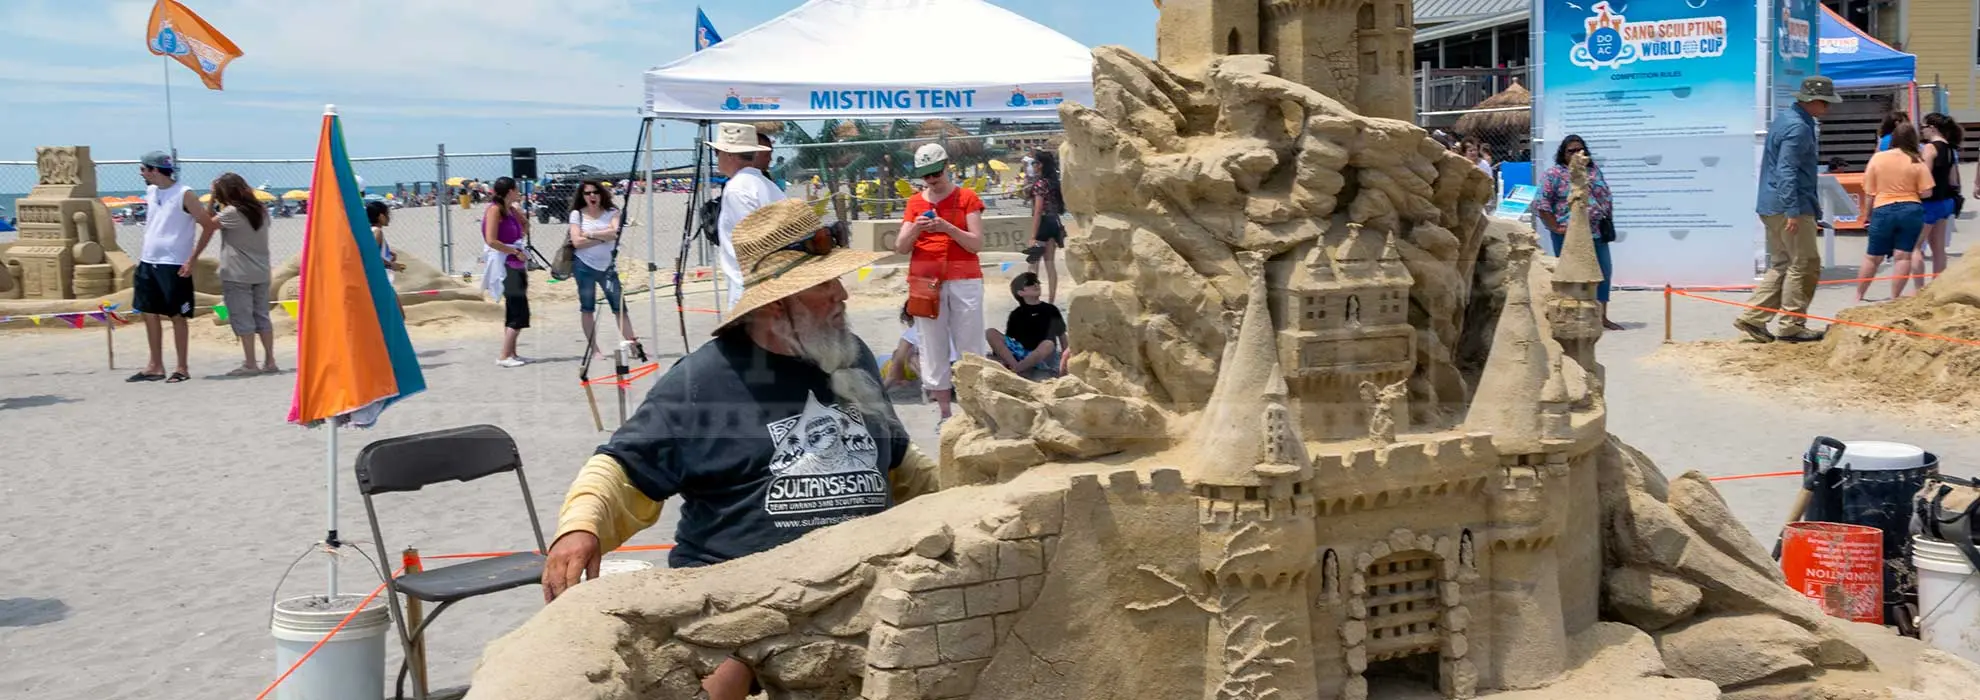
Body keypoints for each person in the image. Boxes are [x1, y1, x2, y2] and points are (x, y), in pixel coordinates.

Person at [540, 199, 937, 700]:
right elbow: (621, 468)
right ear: (776, 304)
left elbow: (901, 463)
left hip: (857, 593)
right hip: (741, 600)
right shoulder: (704, 380)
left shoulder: (851, 358)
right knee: (722, 672)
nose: (842, 294)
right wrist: (580, 529)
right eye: (823, 284)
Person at [1737, 76, 1837, 344]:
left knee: (1783, 263)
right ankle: (1792, 324)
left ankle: (1753, 317)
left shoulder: (1786, 120)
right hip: (1790, 206)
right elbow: (1787, 170)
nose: (1827, 109)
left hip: (1773, 204)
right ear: (1813, 101)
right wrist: (1793, 209)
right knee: (1803, 264)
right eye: (1825, 103)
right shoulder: (1798, 128)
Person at [894, 143, 987, 421]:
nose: (932, 179)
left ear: (947, 167)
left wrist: (947, 227)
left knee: (970, 343)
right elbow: (900, 246)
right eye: (926, 175)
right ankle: (944, 413)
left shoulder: (967, 197)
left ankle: (975, 411)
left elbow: (976, 243)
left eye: (936, 172)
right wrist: (915, 229)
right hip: (925, 279)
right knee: (931, 344)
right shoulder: (915, 202)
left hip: (964, 276)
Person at [129, 151, 218, 383]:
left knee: (177, 315)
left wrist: (192, 259)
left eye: (144, 169)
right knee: (148, 311)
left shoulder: (184, 194)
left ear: (155, 170)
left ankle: (181, 367)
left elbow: (208, 226)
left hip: (174, 263)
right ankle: (155, 366)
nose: (141, 173)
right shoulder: (151, 191)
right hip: (148, 260)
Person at [1533, 135, 1624, 330]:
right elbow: (1542, 203)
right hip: (1568, 234)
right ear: (1563, 153)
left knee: (1603, 273)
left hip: (1596, 232)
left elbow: (1606, 196)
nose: (1576, 154)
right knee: (1570, 276)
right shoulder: (1554, 174)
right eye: (1571, 151)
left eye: (1579, 150)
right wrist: (1555, 227)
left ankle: (1601, 316)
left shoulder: (1593, 171)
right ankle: (1572, 318)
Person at [197, 172, 277, 376]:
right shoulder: (260, 210)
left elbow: (207, 224)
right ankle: (270, 360)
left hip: (237, 272)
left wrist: (212, 199)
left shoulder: (232, 212)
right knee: (262, 316)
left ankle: (250, 363)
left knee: (242, 317)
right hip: (261, 270)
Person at [1854, 122, 1932, 302]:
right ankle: (1895, 297)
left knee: (1873, 256)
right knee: (1903, 256)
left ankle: (1859, 295)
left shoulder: (1878, 158)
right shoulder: (1916, 160)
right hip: (1911, 207)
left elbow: (1869, 191)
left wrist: (1867, 215)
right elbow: (1927, 191)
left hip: (1883, 206)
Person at [711, 122, 784, 308]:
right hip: (768, 279)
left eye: (717, 153)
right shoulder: (764, 183)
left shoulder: (738, 187)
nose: (716, 158)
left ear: (728, 154)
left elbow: (749, 241)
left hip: (749, 283)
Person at [567, 180, 641, 359]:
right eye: (587, 193)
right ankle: (595, 350)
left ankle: (634, 346)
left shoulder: (612, 212)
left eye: (595, 192)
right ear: (582, 196)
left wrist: (590, 234)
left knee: (619, 307)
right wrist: (603, 236)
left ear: (601, 194)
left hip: (607, 266)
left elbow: (615, 233)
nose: (592, 196)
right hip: (583, 265)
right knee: (587, 308)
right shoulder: (577, 214)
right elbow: (576, 242)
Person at [481, 177, 533, 366]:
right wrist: (514, 251)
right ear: (510, 190)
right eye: (516, 190)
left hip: (516, 263)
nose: (518, 192)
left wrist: (518, 212)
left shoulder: (509, 209)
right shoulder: (495, 210)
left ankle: (511, 353)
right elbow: (491, 240)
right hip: (506, 264)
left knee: (514, 308)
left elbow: (525, 228)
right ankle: (503, 355)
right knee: (519, 311)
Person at [987, 272, 1067, 381]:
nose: (1036, 285)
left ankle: (1016, 369)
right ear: (1020, 292)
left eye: (1037, 282)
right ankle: (1016, 366)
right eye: (1030, 283)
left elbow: (1062, 335)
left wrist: (1066, 358)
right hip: (1021, 352)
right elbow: (1010, 340)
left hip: (1042, 356)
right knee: (990, 332)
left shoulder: (1050, 309)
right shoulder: (1016, 314)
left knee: (1048, 344)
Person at [1916, 113, 1962, 283]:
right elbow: (1953, 181)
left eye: (1923, 127)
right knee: (1939, 249)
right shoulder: (1951, 149)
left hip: (1929, 203)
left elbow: (1924, 176)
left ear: (1932, 128)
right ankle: (1938, 286)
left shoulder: (1929, 148)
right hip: (1945, 202)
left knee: (1915, 248)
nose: (1922, 131)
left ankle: (1919, 289)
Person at [1021, 149, 1068, 304]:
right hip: (1054, 224)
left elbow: (1038, 210)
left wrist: (1033, 236)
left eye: (1034, 163)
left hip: (1042, 225)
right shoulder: (1053, 182)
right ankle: (1051, 301)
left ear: (1040, 165)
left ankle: (1031, 300)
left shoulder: (1040, 184)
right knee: (1050, 265)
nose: (1032, 165)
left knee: (1033, 264)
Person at [367, 201, 407, 286]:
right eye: (387, 214)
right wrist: (392, 265)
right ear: (381, 216)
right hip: (381, 278)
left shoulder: (371, 230)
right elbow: (372, 256)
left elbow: (374, 250)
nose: (389, 217)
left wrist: (388, 253)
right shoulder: (377, 231)